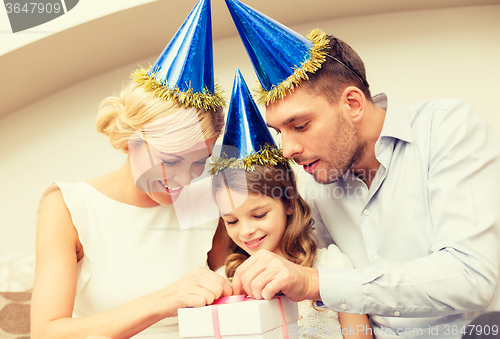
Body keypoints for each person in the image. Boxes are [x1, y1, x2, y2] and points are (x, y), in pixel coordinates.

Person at [223, 0, 500, 337]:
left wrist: (314, 282)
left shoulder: (448, 127)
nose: (288, 149)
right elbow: (310, 257)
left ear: (352, 104)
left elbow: (471, 278)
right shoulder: (317, 175)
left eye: (301, 125)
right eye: (281, 132)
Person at [30, 1, 231, 338]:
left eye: (199, 162)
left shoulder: (210, 200)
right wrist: (161, 302)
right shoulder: (68, 206)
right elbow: (47, 332)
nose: (184, 179)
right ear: (128, 141)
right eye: (169, 161)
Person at [210, 69, 373, 339]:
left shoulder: (331, 266)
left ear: (288, 203)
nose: (246, 230)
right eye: (232, 221)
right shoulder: (226, 283)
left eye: (259, 215)